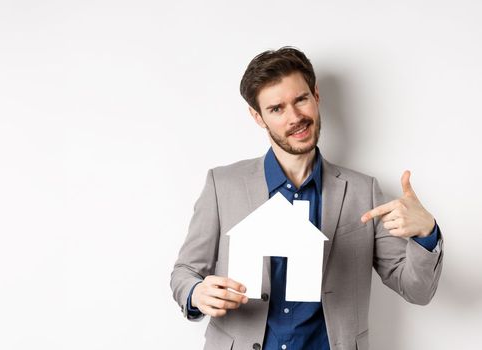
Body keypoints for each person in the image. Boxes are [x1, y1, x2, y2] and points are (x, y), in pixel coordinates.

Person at [169, 47, 444, 350]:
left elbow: (417, 291)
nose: (295, 117)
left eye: (301, 100)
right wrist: (196, 293)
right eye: (277, 109)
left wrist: (425, 233)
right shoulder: (222, 185)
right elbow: (185, 272)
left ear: (316, 96)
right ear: (257, 116)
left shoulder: (362, 191)